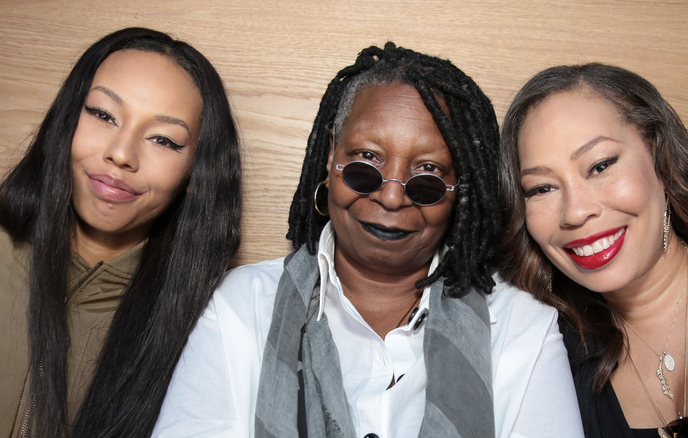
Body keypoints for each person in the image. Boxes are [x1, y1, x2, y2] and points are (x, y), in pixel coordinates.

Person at [154, 42, 582, 437]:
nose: (392, 196)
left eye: (428, 176)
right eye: (366, 163)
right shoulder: (241, 308)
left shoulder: (521, 325)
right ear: (330, 156)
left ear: (460, 191)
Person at [0, 27, 242, 437]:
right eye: (103, 115)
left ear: (196, 173)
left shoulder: (212, 324)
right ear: (65, 119)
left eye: (163, 139)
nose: (122, 154)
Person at [498, 62, 688, 437]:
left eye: (600, 165)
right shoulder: (543, 356)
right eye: (542, 188)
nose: (576, 212)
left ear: (659, 156)